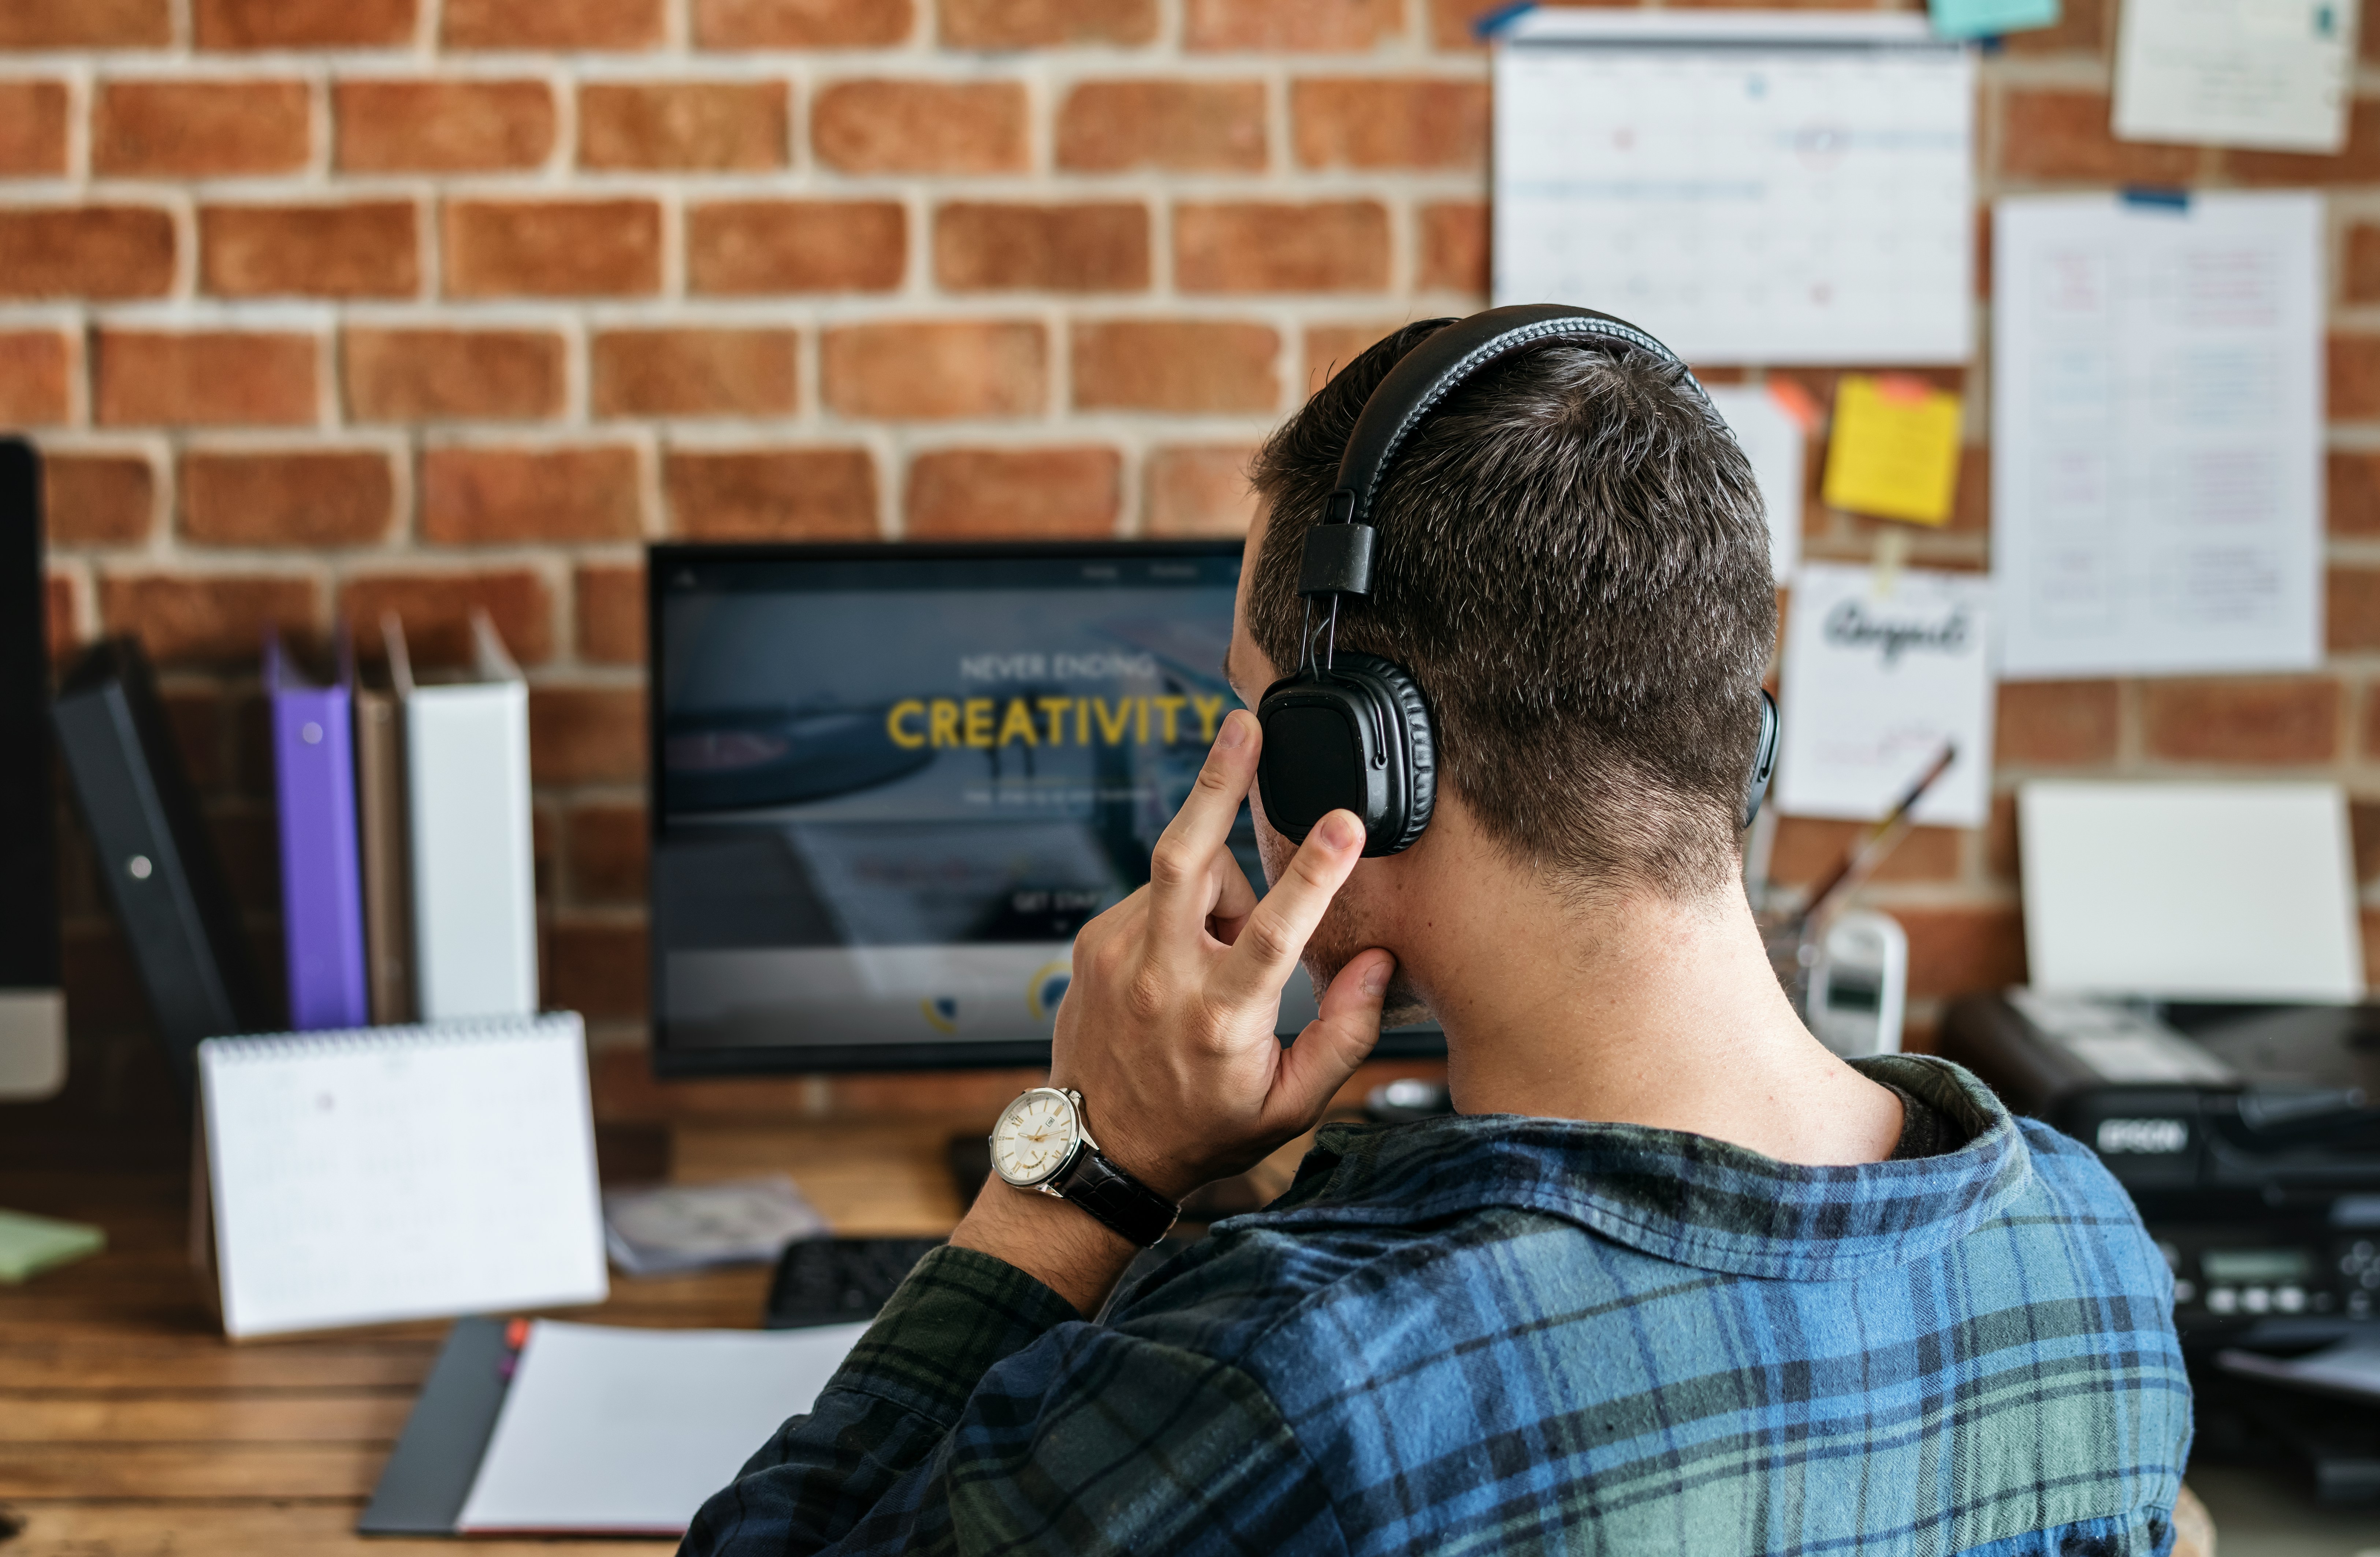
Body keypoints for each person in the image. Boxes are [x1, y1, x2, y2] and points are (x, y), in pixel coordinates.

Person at [682, 310, 2191, 1556]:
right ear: (1739, 740)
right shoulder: (2086, 1251)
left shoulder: (1304, 1377)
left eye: (1256, 703)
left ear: (1354, 764)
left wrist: (1086, 1164)